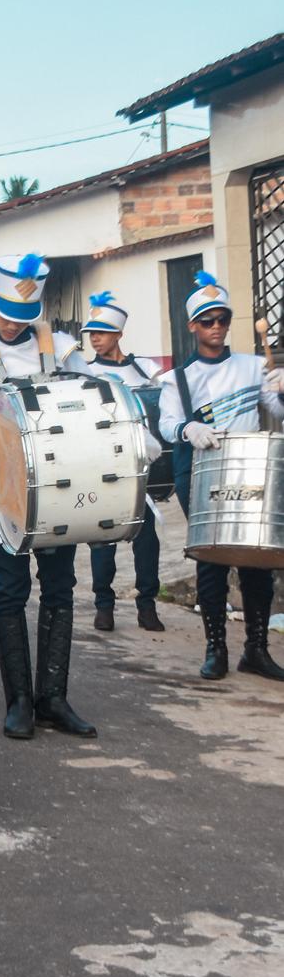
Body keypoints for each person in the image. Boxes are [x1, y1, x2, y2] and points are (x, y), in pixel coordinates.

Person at [0, 253, 96, 741]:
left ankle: (53, 697)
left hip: (54, 491)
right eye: (7, 313)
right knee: (10, 594)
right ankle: (19, 701)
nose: (14, 325)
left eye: (24, 317)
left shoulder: (65, 350)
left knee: (59, 589)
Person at [158, 271, 284, 680]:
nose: (217, 327)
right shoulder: (179, 378)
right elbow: (167, 424)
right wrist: (187, 430)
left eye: (223, 319)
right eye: (208, 320)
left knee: (256, 559)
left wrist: (281, 390)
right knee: (211, 559)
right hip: (201, 470)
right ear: (193, 326)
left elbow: (278, 412)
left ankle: (257, 649)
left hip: (250, 468)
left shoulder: (252, 366)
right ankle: (216, 649)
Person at [80, 291, 165, 633]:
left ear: (118, 334)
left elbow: (160, 412)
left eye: (101, 332)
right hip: (104, 467)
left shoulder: (146, 369)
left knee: (147, 541)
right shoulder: (85, 372)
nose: (95, 338)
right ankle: (104, 606)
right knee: (103, 540)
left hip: (141, 469)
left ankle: (147, 605)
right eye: (92, 333)